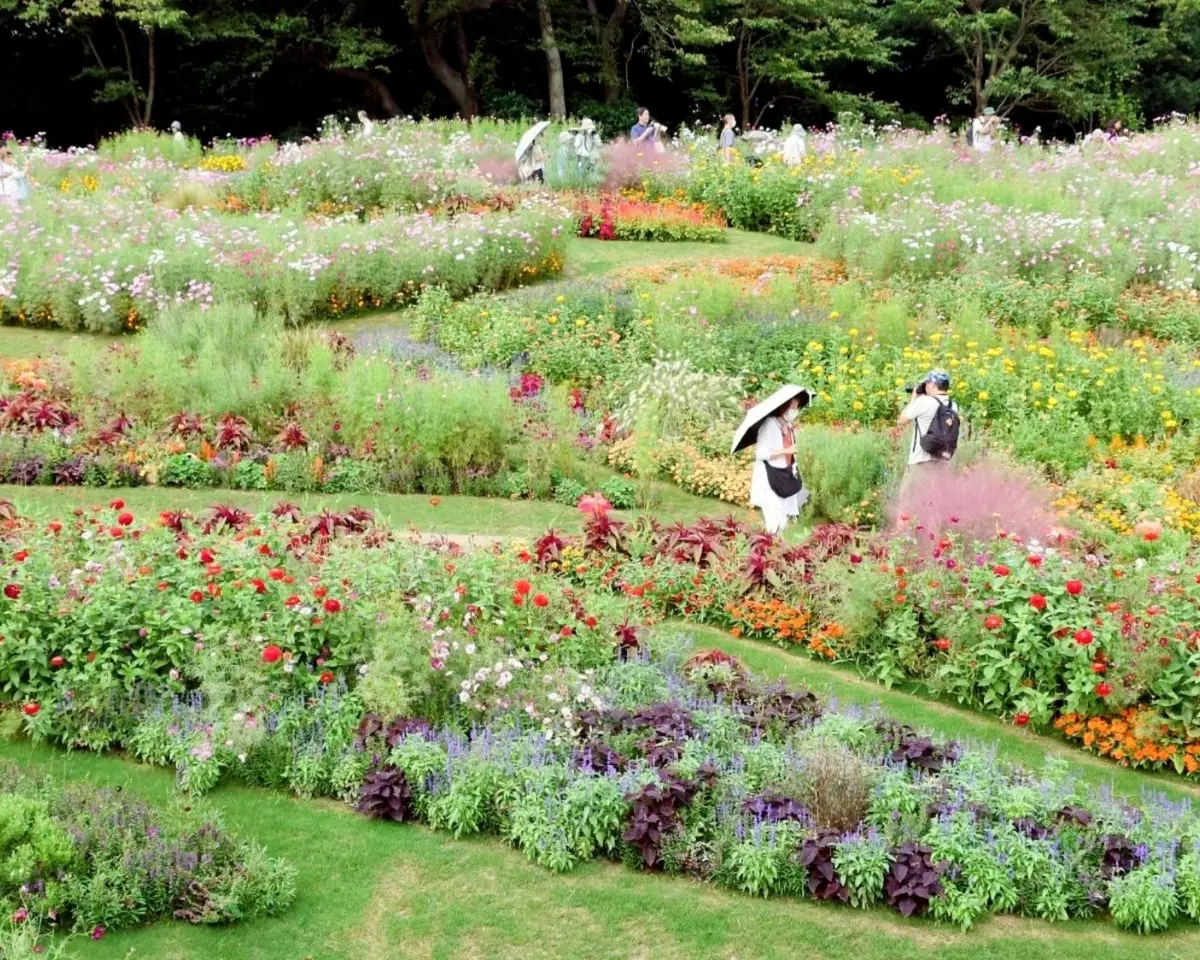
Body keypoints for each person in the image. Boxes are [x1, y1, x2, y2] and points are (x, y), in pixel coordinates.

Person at [896, 370, 960, 507]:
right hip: (942, 461)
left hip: (920, 461)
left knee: (907, 503)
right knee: (934, 506)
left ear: (932, 385)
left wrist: (914, 399)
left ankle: (904, 529)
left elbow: (901, 421)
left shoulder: (923, 402)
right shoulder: (953, 405)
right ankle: (933, 529)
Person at [750, 393, 810, 535]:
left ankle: (776, 552)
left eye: (797, 407)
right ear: (784, 408)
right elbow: (760, 453)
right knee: (773, 523)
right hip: (770, 478)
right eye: (792, 407)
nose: (795, 411)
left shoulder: (788, 426)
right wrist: (785, 450)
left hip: (784, 477)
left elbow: (793, 452)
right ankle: (765, 551)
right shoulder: (769, 425)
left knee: (782, 523)